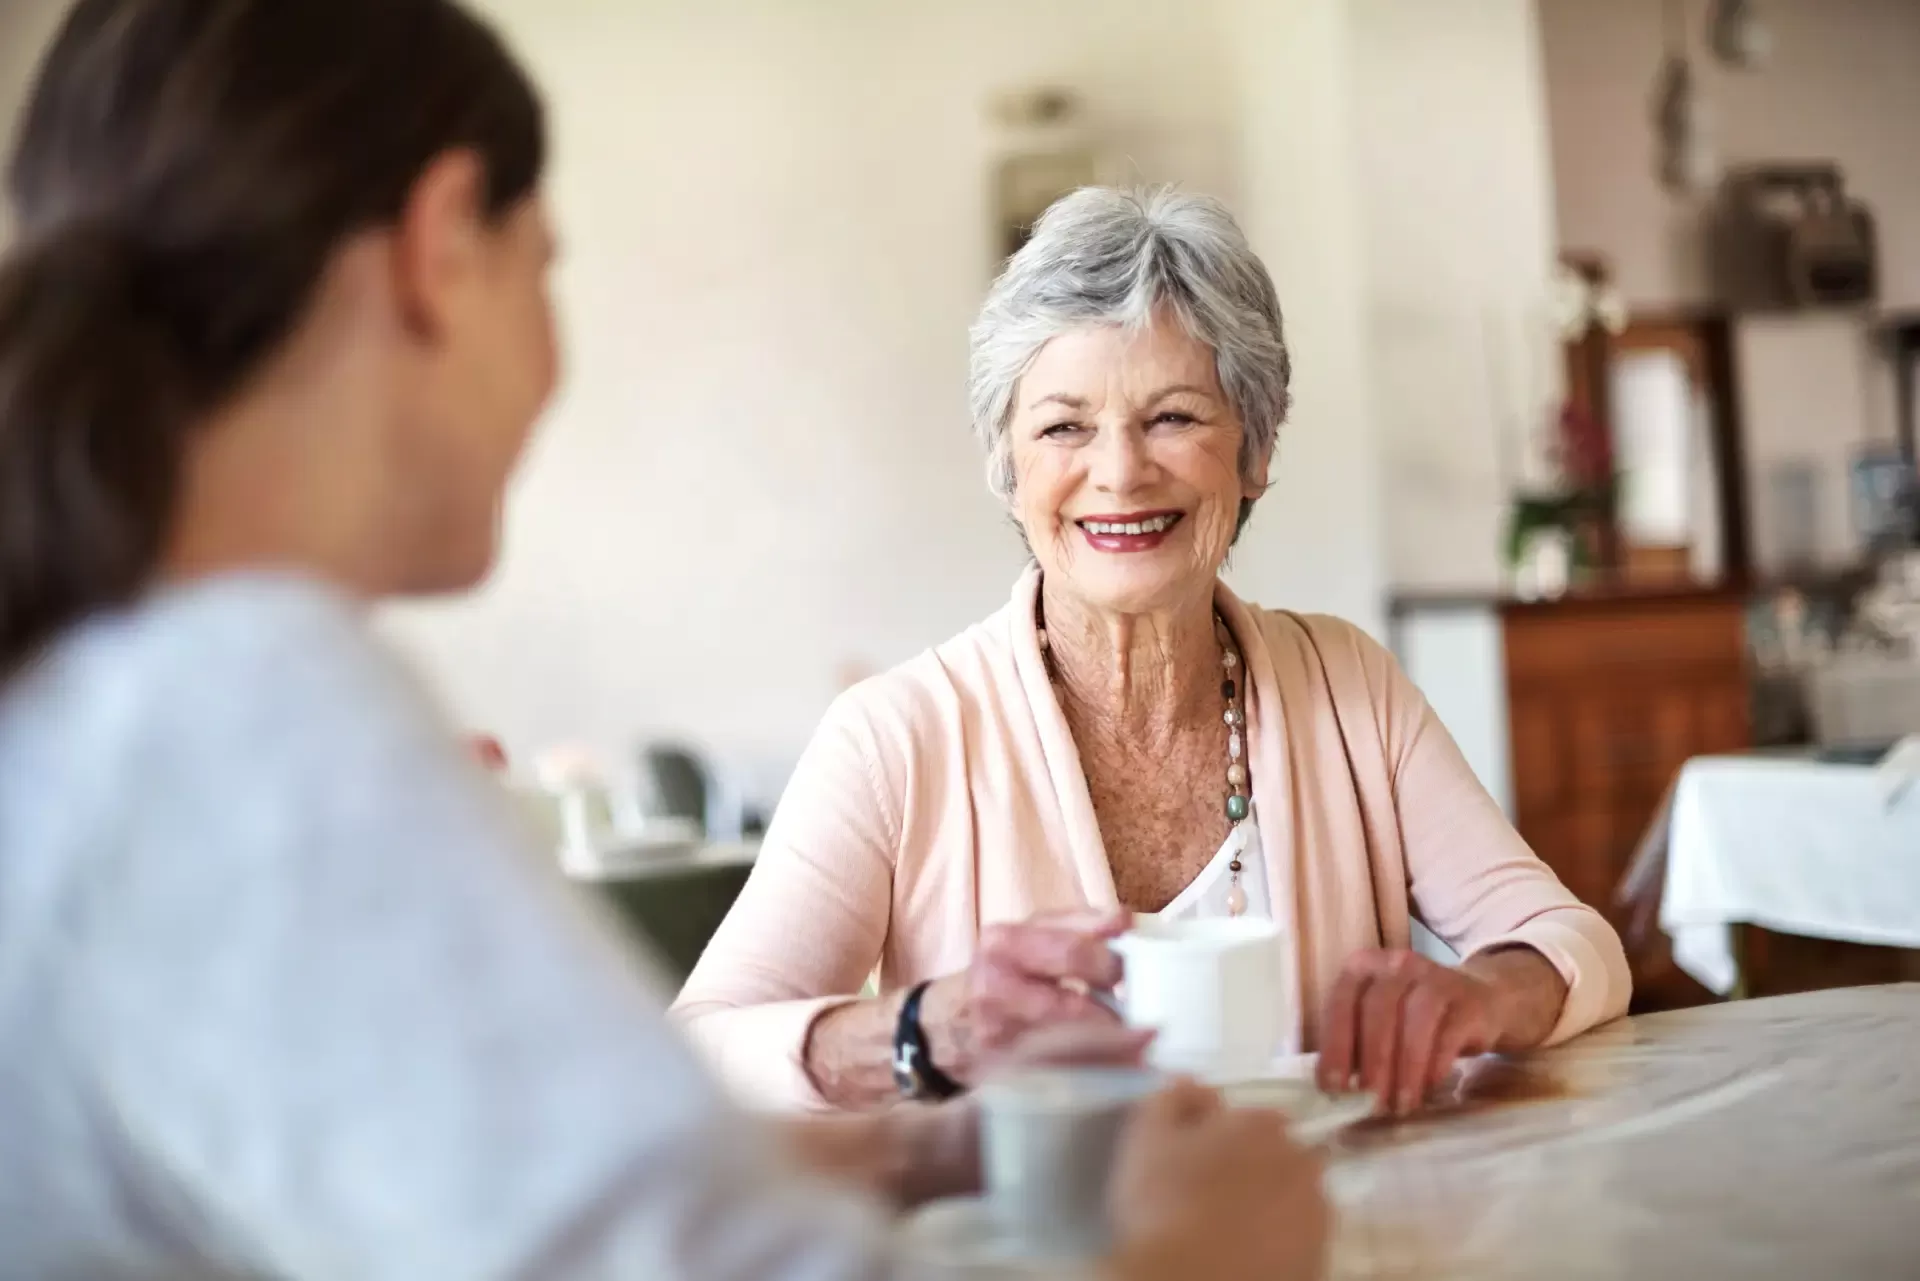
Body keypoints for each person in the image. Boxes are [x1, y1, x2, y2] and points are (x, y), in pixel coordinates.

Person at [0, 3, 1328, 1278]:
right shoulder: (239, 717)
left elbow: (509, 1186)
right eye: (546, 264)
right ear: (437, 244)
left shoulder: (102, 695)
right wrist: (1194, 1255)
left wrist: (948, 1145)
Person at [674, 187, 1634, 1117]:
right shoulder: (897, 737)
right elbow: (701, 1047)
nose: (1121, 471)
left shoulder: (1350, 689)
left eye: (1173, 416)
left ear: (1254, 452)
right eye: (1064, 426)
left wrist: (1483, 996)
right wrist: (921, 1031)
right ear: (1011, 473)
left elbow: (1567, 939)